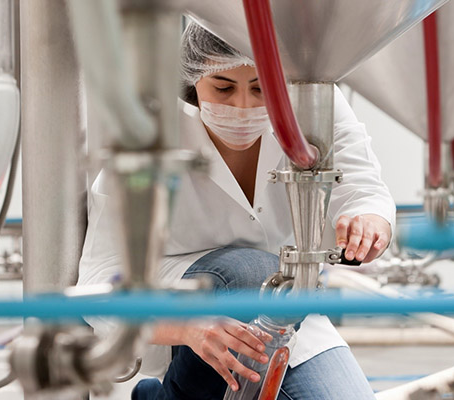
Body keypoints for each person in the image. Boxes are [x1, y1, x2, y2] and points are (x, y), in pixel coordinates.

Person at [78, 21, 395, 400]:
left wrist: (369, 221)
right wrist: (185, 328)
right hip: (179, 303)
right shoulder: (148, 135)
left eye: (262, 89)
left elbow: (362, 187)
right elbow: (96, 285)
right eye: (223, 88)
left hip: (286, 303)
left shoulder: (314, 104)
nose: (243, 106)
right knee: (248, 270)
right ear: (191, 82)